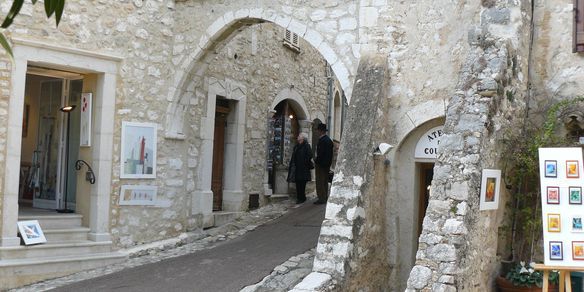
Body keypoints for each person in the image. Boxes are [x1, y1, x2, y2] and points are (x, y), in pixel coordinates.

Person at [287, 132, 313, 204]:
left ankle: (302, 198)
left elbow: (310, 155)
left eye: (299, 136)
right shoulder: (297, 146)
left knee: (302, 184)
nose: (298, 136)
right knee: (298, 183)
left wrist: (304, 162)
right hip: (297, 168)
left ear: (303, 138)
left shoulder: (306, 146)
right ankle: (300, 197)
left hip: (304, 168)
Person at [314, 123, 333, 204]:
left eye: (318, 130)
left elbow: (321, 154)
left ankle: (321, 198)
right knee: (324, 181)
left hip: (321, 164)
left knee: (320, 181)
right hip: (326, 164)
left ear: (320, 131)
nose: (317, 132)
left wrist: (317, 161)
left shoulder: (323, 141)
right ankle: (324, 197)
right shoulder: (328, 140)